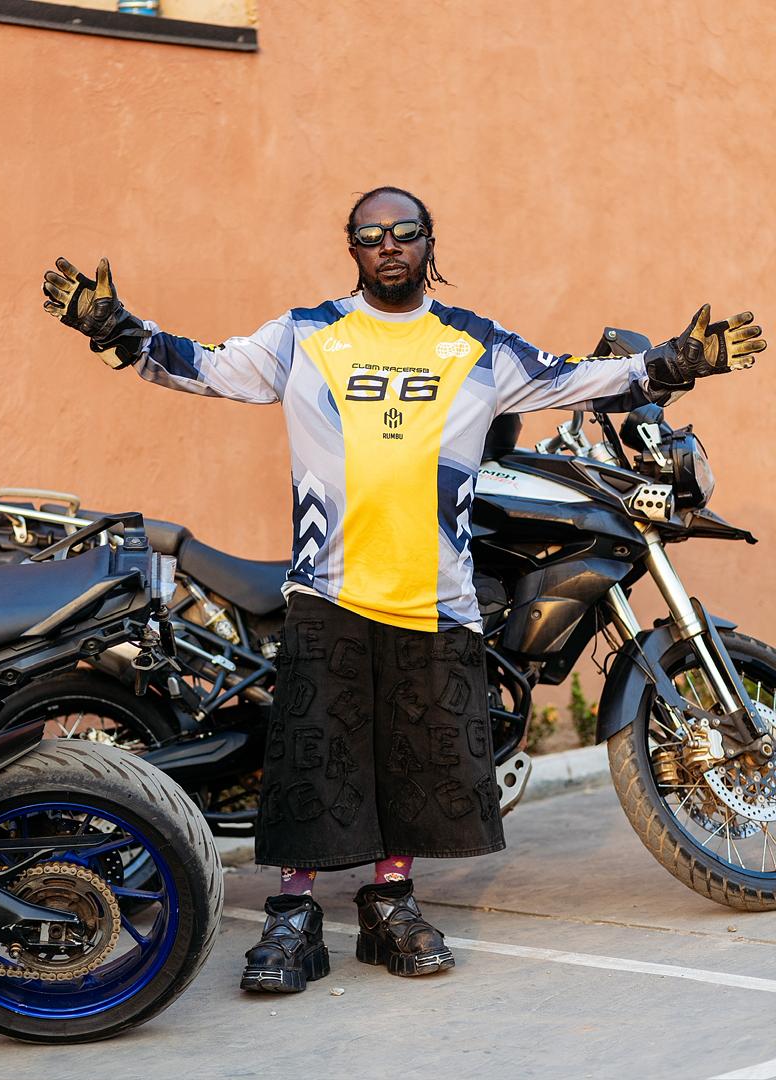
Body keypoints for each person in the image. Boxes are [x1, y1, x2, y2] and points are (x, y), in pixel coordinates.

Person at [42, 185, 766, 993]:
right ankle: (293, 916)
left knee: (418, 762)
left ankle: (390, 901)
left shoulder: (478, 344)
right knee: (314, 760)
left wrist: (679, 361)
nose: (388, 244)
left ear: (429, 242)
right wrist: (114, 327)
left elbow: (578, 379)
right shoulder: (305, 335)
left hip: (439, 598)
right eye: (370, 234)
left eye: (405, 230)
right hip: (329, 591)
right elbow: (204, 367)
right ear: (352, 248)